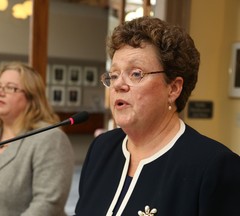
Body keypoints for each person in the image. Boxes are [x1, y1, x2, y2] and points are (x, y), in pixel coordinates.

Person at [74, 16, 240, 216]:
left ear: (173, 88)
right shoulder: (101, 149)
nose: (118, 85)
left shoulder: (214, 166)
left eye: (136, 73)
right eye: (114, 75)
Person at [0, 62, 74, 216]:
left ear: (31, 97)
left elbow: (48, 204)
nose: (0, 92)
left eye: (10, 88)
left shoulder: (50, 138)